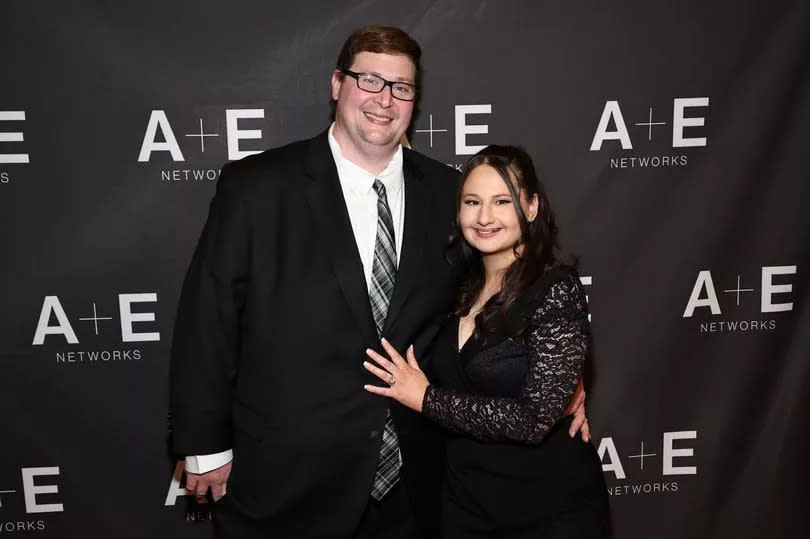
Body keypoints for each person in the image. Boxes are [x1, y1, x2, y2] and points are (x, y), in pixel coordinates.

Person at [170, 26, 589, 539]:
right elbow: (207, 320)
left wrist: (559, 371)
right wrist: (205, 445)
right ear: (336, 84)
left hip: (417, 488)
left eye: (402, 87)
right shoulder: (257, 187)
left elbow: (503, 292)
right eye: (370, 80)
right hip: (288, 482)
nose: (384, 100)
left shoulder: (450, 194)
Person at [364, 145, 610, 538]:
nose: (484, 217)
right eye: (472, 201)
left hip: (548, 510)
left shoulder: (554, 289)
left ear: (530, 207)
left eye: (502, 201)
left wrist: (425, 398)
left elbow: (533, 420)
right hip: (465, 505)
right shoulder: (457, 286)